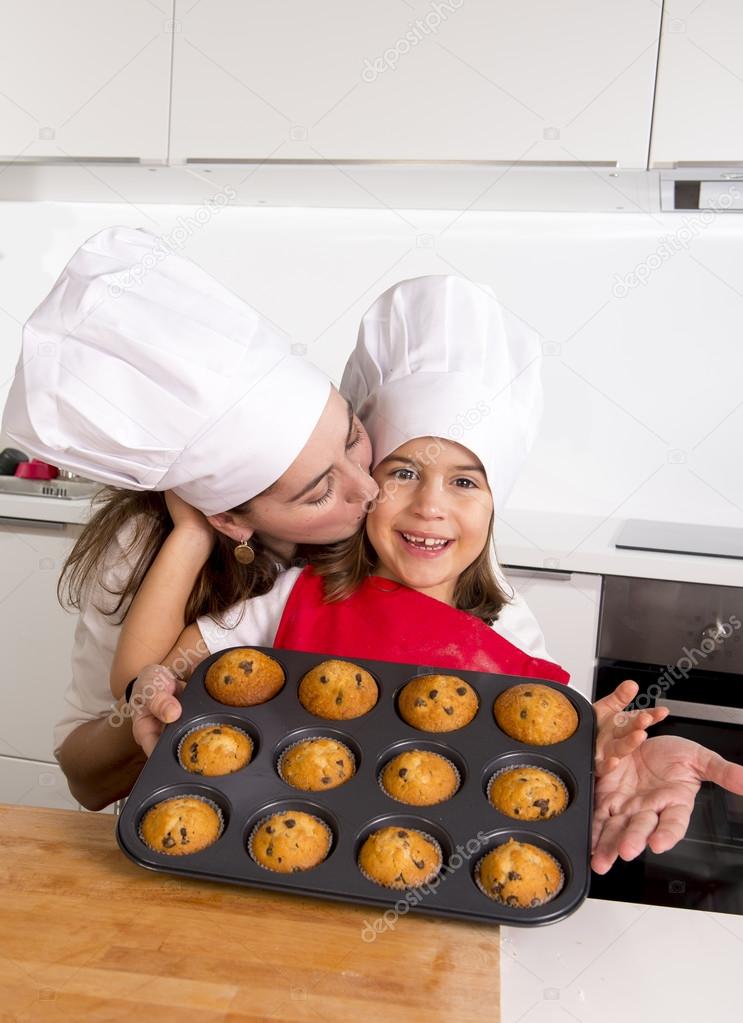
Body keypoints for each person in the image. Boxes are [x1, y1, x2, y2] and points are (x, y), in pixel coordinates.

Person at [115, 276, 726, 878]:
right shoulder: (294, 594)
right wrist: (162, 662)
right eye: (403, 473)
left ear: (493, 505)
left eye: (464, 482)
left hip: (440, 880)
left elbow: (540, 756)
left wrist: (600, 762)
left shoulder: (509, 626)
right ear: (364, 486)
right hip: (276, 858)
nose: (430, 506)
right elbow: (159, 671)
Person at [1, 233, 548, 810]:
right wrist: (187, 547)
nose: (368, 490)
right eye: (320, 493)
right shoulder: (168, 558)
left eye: (353, 439)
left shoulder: (427, 549)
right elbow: (94, 765)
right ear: (233, 519)